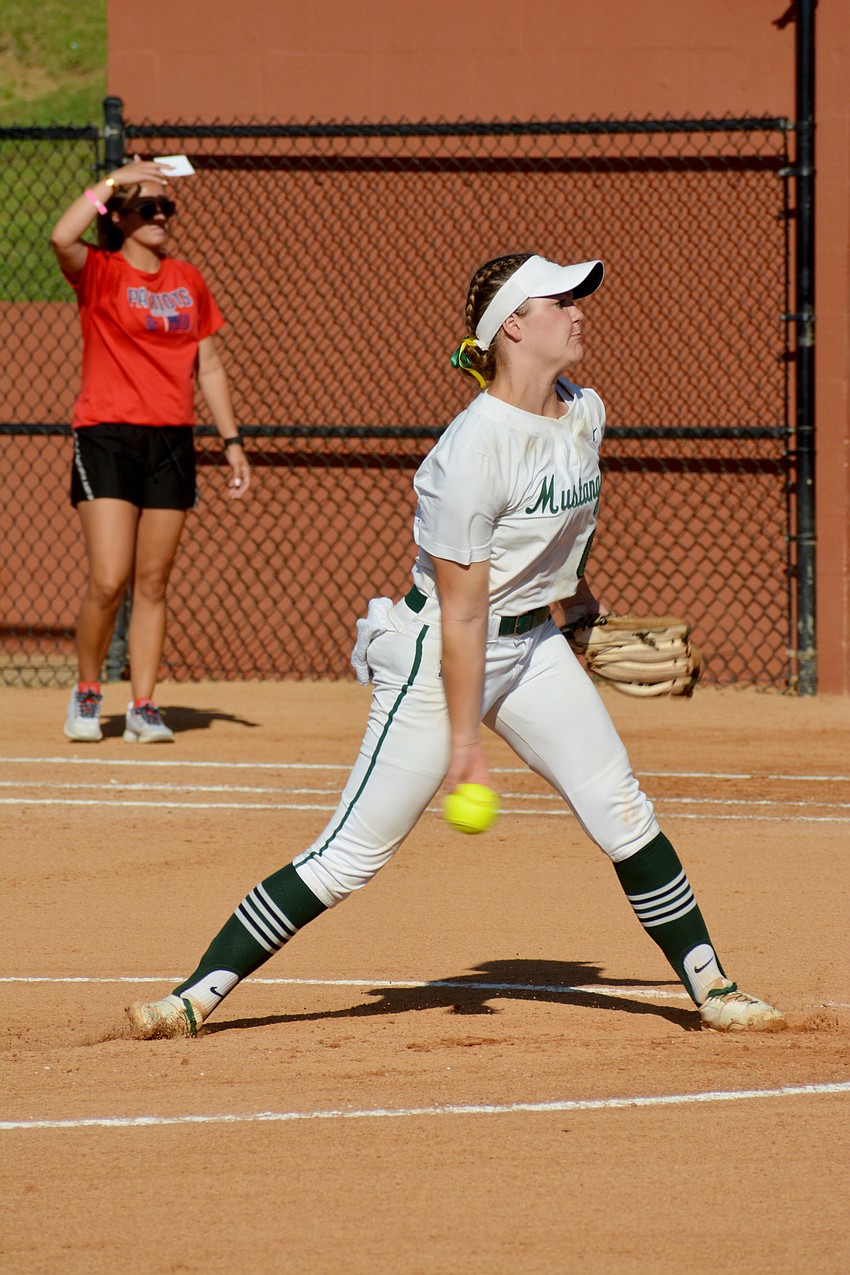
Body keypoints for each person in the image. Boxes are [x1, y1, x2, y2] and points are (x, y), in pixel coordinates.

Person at [127, 252, 785, 1037]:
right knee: (350, 857)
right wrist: (467, 745)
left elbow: (556, 548)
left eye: (578, 298)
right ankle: (192, 997)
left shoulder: (584, 410)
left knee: (621, 807)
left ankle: (713, 988)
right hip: (440, 651)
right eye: (561, 299)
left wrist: (581, 614)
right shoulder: (469, 453)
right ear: (513, 324)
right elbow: (465, 613)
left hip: (532, 641)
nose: (580, 310)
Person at [50, 156, 251, 745]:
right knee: (109, 579)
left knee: (154, 582)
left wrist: (232, 442)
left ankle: (143, 705)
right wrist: (115, 179)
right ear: (119, 217)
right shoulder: (100, 270)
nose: (161, 215)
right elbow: (61, 234)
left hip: (171, 439)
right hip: (106, 435)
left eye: (167, 206)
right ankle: (88, 693)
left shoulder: (186, 279)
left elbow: (207, 363)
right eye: (148, 207)